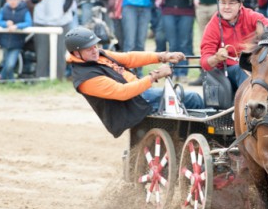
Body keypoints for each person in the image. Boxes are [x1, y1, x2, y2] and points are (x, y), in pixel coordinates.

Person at [66, 27, 204, 138]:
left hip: (141, 95)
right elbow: (123, 92)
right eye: (89, 49)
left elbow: (129, 58)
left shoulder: (98, 55)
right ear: (76, 53)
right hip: (134, 105)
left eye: (95, 46)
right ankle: (206, 140)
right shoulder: (86, 78)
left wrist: (163, 56)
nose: (94, 50)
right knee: (193, 98)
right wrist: (154, 76)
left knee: (191, 98)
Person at [199, 0, 268, 92]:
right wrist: (217, 58)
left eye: (231, 3)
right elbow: (204, 63)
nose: (226, 7)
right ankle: (250, 101)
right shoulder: (212, 26)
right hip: (227, 71)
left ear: (240, 4)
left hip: (254, 64)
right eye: (223, 3)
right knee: (240, 69)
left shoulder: (250, 16)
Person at [160, 0, 196, 83]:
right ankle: (173, 71)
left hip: (186, 12)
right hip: (169, 11)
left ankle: (183, 72)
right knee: (173, 42)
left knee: (185, 42)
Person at [0, 0, 32, 81]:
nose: (13, 1)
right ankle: (10, 81)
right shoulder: (3, 10)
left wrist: (17, 26)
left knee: (10, 64)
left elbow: (29, 23)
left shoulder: (24, 10)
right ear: (6, 0)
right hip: (5, 41)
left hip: (17, 42)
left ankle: (3, 79)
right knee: (6, 62)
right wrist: (6, 23)